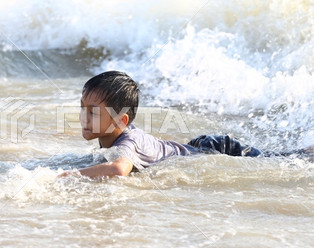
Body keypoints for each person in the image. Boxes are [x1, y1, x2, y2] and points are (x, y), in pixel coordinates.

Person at [60, 71, 312, 178]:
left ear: (121, 120)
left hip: (217, 149)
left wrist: (66, 176)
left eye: (92, 112)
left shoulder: (127, 142)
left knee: (287, 161)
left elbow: (117, 170)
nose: (83, 117)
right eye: (82, 108)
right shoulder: (114, 138)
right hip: (199, 146)